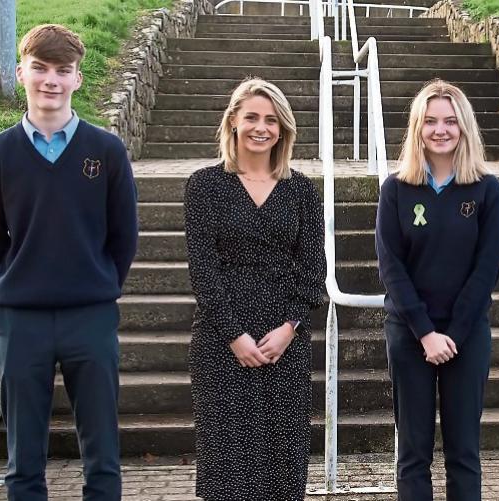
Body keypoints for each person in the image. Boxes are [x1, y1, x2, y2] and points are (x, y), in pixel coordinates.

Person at [0, 24, 138, 500]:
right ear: (21, 71)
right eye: (40, 69)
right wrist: (15, 281)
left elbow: (123, 235)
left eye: (63, 71)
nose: (51, 80)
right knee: (23, 460)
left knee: (102, 454)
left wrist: (100, 280)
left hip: (91, 316)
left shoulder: (106, 151)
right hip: (22, 320)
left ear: (77, 79)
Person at [184, 77, 326, 500]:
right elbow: (203, 271)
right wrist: (234, 336)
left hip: (284, 339)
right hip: (220, 339)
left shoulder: (302, 190)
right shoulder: (204, 185)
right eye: (251, 117)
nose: (260, 127)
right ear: (233, 122)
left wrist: (290, 329)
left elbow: (313, 269)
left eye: (271, 119)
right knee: (227, 461)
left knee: (282, 459)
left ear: (282, 129)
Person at [375, 79, 499, 501]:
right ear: (417, 128)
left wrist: (454, 332)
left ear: (464, 126)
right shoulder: (395, 190)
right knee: (413, 453)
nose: (440, 130)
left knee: (463, 452)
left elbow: (487, 269)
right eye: (430, 121)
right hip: (410, 334)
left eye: (450, 121)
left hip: (466, 335)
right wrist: (425, 332)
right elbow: (391, 268)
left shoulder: (487, 190)